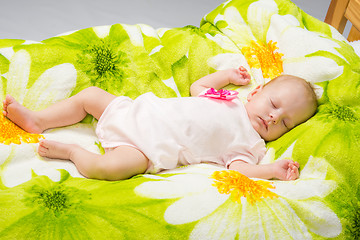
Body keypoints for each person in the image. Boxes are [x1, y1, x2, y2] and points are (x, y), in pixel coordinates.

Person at [2, 67, 317, 181]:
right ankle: (38, 120)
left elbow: (238, 170)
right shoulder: (231, 98)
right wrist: (229, 77)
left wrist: (272, 171)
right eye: (274, 105)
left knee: (110, 169)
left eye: (285, 123)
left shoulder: (252, 144)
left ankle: (72, 153)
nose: (274, 117)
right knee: (92, 96)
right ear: (257, 92)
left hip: (145, 148)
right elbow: (197, 88)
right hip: (136, 113)